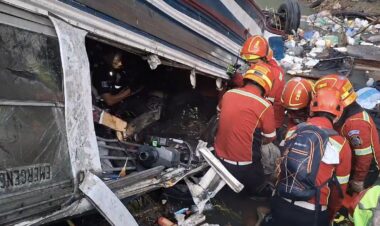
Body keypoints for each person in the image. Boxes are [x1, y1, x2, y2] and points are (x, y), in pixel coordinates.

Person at [266, 88, 352, 226]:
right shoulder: (341, 145)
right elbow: (339, 190)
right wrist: (330, 214)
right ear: (338, 115)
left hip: (281, 203)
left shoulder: (293, 131)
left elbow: (281, 168)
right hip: (312, 214)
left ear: (311, 110)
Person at [214, 62, 276, 226]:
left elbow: (219, 112)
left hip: (218, 159)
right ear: (266, 86)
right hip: (244, 166)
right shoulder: (265, 105)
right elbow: (270, 136)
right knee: (271, 153)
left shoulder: (229, 94)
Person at [314, 74, 380, 192]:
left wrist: (358, 180)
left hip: (366, 170)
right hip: (352, 160)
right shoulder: (345, 112)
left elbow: (364, 157)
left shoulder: (355, 124)